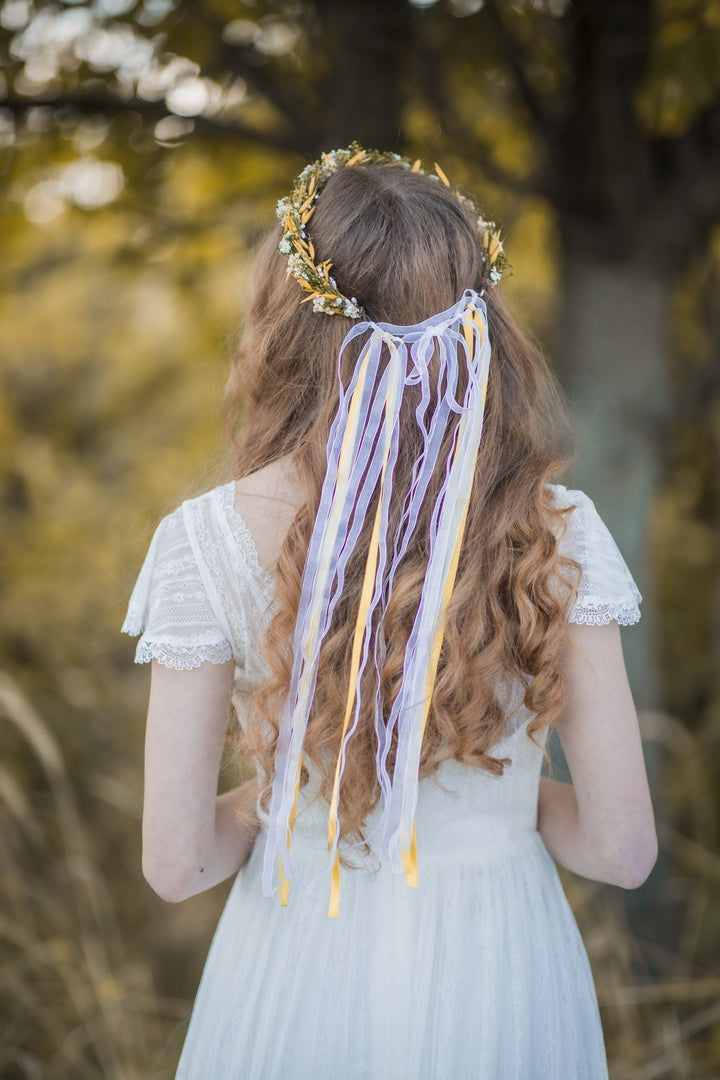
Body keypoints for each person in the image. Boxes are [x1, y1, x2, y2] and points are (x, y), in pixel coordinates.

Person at [122, 144, 657, 1079]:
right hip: (501, 973)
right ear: (479, 327)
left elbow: (178, 865)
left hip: (295, 965)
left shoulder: (204, 540)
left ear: (287, 326)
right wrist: (492, 805)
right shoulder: (558, 528)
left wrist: (277, 800)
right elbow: (619, 850)